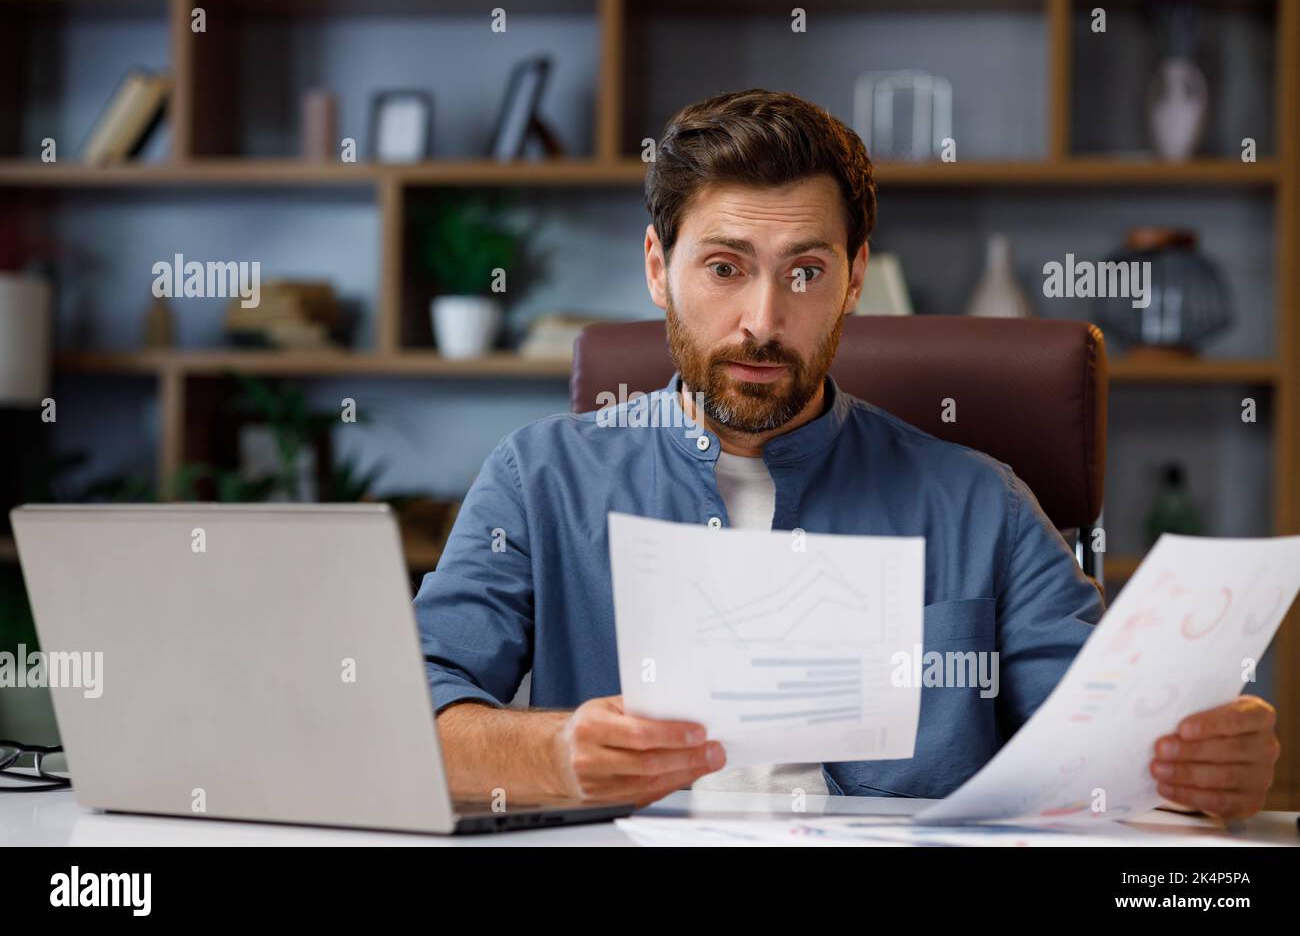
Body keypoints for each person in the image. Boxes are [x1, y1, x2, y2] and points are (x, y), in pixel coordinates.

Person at [415, 89, 1280, 816]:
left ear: (855, 276)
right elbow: (410, 713)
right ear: (656, 265)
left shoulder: (984, 505)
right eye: (723, 267)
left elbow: (1112, 749)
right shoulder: (538, 479)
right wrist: (557, 753)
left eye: (804, 272)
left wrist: (1201, 764)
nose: (761, 319)